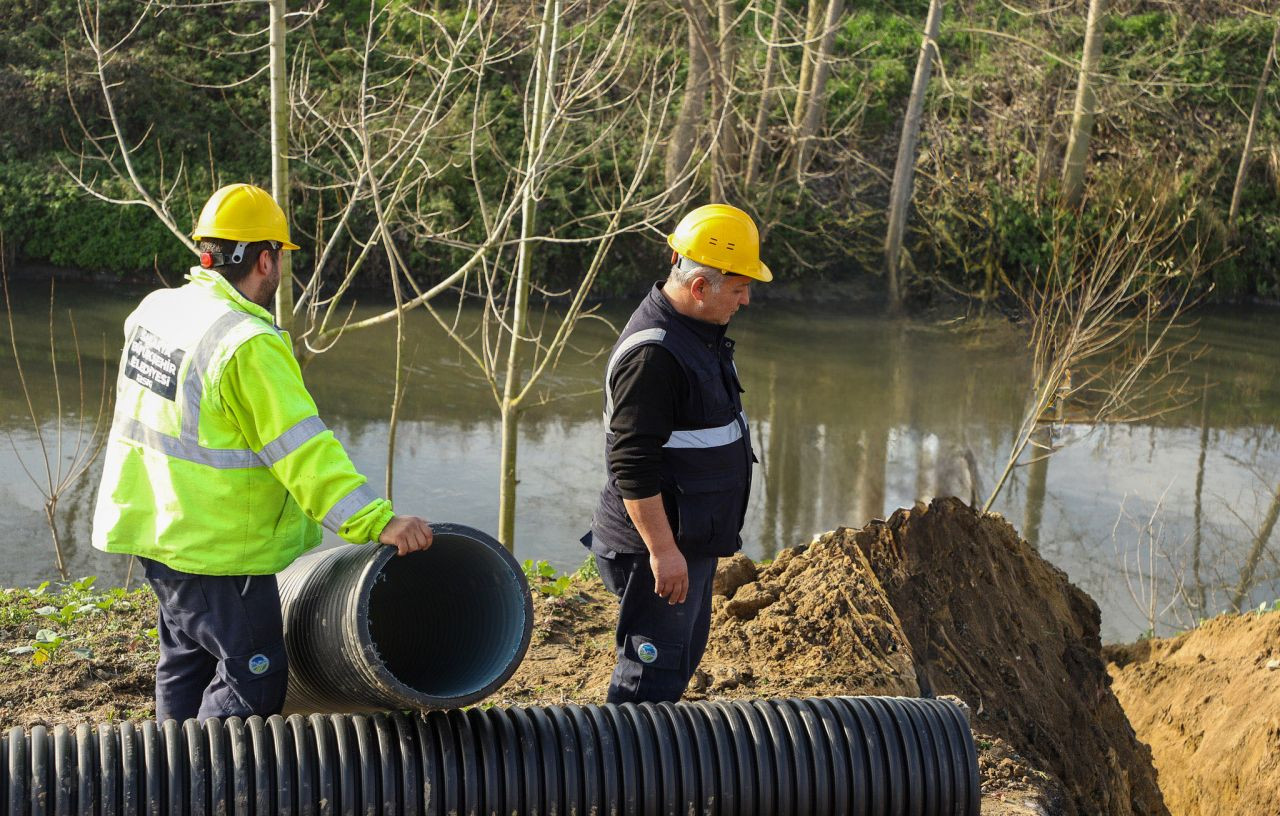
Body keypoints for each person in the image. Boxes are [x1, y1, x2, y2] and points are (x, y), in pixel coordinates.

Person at [92, 183, 434, 723]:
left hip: (157, 530)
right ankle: (204, 784)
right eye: (280, 260)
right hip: (220, 551)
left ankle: (165, 781)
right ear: (267, 258)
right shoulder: (247, 344)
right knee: (254, 677)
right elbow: (304, 452)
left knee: (187, 660)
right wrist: (376, 521)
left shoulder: (159, 310)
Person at [583, 203, 771, 704]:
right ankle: (622, 773)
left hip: (689, 539)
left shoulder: (697, 333)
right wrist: (664, 553)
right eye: (738, 288)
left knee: (675, 666)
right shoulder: (654, 354)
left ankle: (649, 772)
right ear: (699, 287)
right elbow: (632, 465)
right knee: (647, 682)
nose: (746, 300)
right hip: (656, 548)